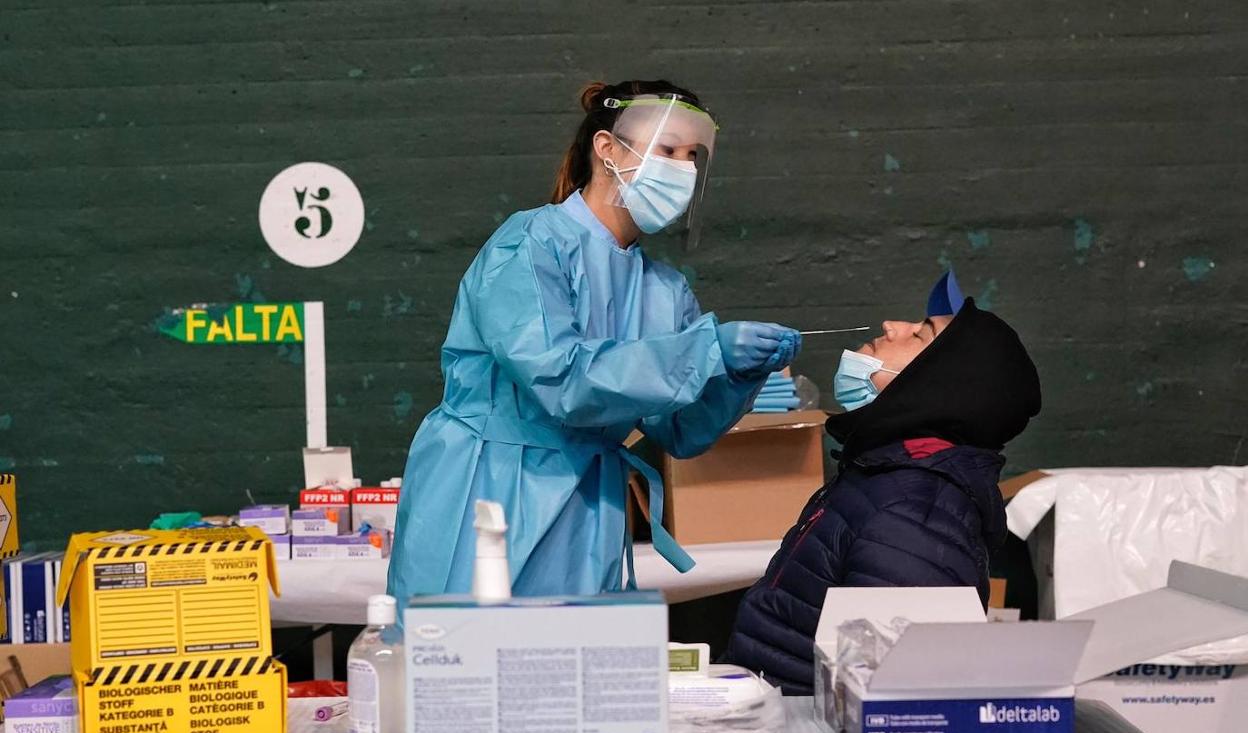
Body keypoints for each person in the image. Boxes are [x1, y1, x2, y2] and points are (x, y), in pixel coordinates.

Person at [387, 79, 802, 601]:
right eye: (668, 150)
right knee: (464, 659)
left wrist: (736, 374)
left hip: (590, 509)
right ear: (607, 149)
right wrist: (705, 351)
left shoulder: (665, 290)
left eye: (693, 155)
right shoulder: (529, 244)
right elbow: (560, 378)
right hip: (491, 490)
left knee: (574, 665)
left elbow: (680, 429)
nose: (683, 169)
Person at [721, 271, 1042, 694]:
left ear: (938, 385)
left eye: (920, 334)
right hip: (775, 715)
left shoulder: (915, 510)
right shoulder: (882, 475)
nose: (892, 325)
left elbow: (886, 693)